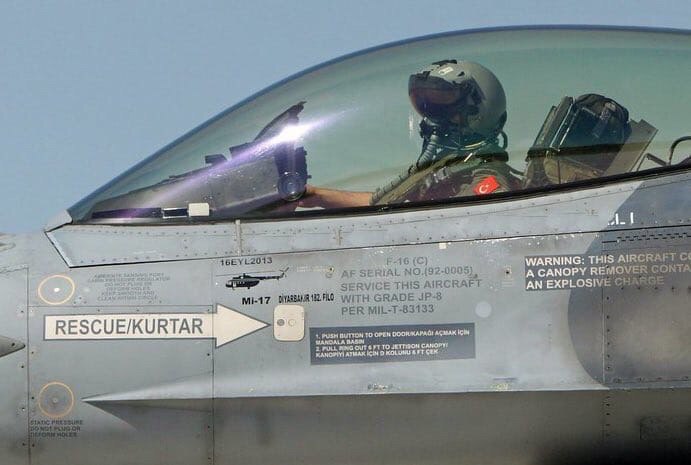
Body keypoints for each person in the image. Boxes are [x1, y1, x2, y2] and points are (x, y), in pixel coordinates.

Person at [299, 59, 521, 209]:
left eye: (443, 104)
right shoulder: (445, 171)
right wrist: (318, 196)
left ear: (479, 110)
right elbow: (381, 203)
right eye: (426, 106)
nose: (433, 118)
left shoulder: (486, 182)